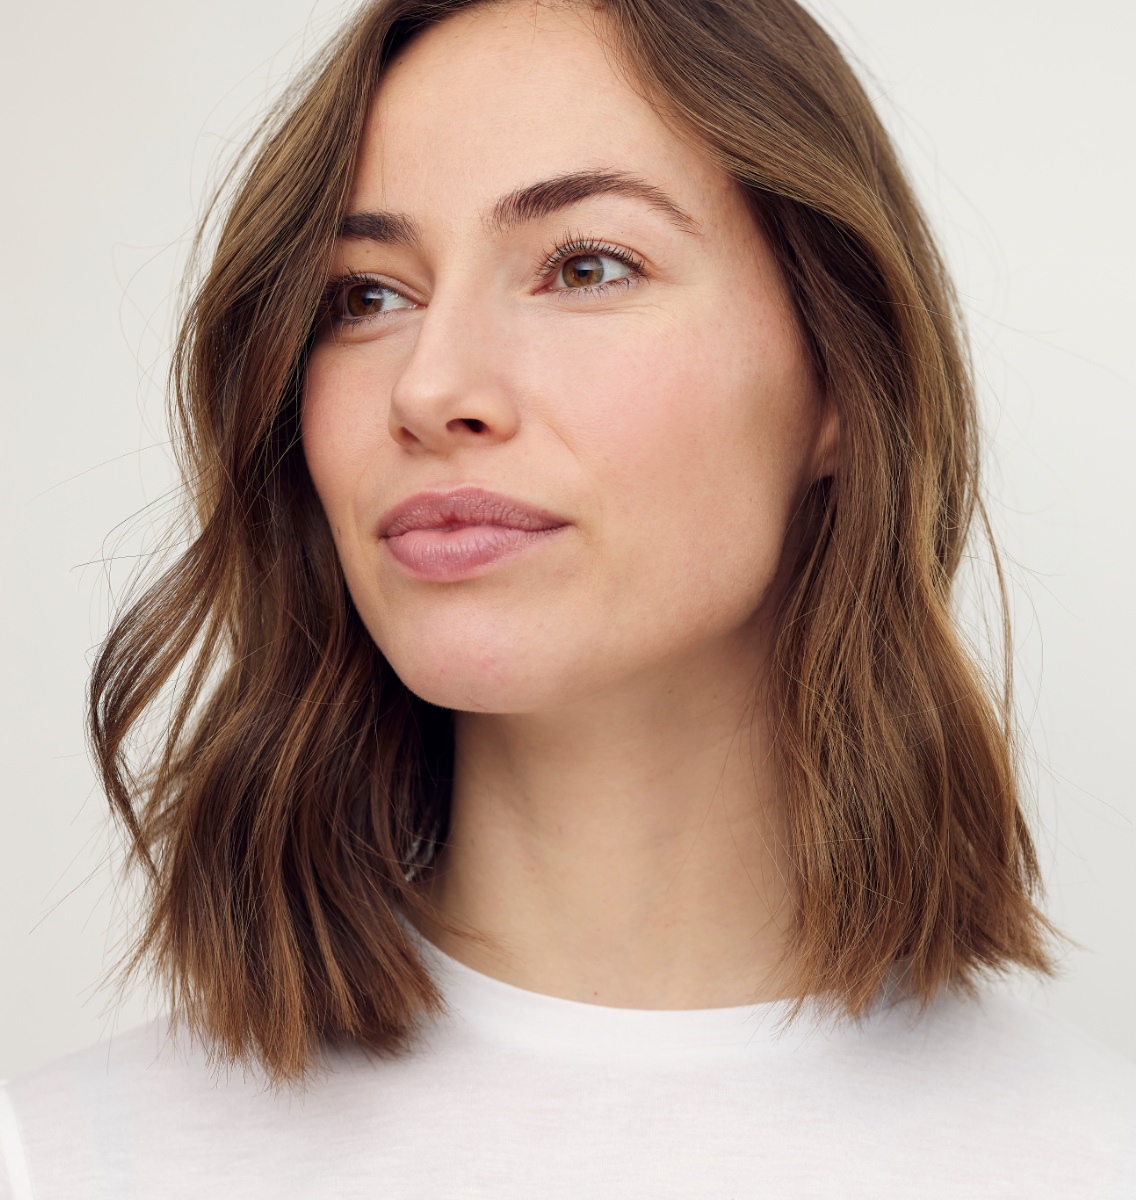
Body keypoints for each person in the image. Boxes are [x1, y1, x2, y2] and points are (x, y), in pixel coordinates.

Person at [1, 0, 1133, 1195]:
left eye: (584, 266)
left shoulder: (1090, 1157)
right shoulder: (63, 1160)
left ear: (838, 381)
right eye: (366, 295)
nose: (431, 388)